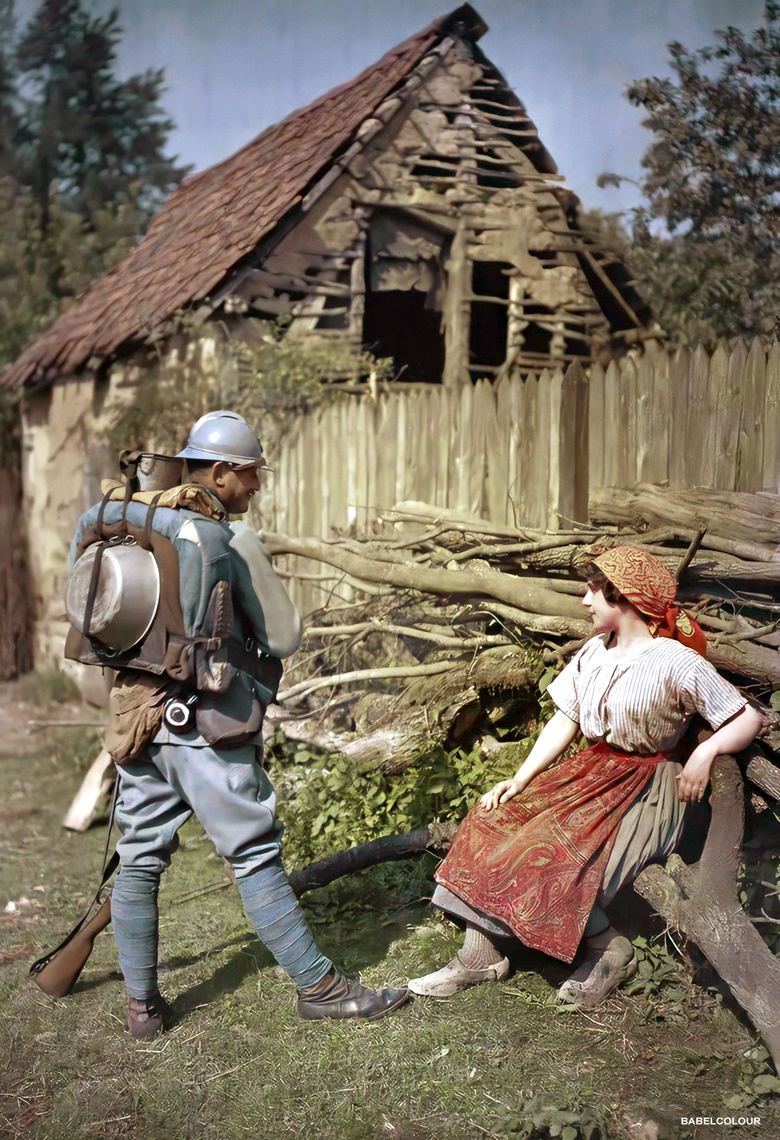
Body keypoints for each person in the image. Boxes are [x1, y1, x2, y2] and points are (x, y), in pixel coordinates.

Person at [69, 411, 409, 1039]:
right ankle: (321, 988)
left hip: (139, 716)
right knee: (253, 853)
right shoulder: (226, 539)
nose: (256, 488)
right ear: (220, 472)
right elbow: (284, 635)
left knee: (139, 859)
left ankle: (142, 1008)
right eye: (251, 476)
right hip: (204, 723)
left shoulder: (135, 526)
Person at [408, 545, 764, 1007]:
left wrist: (705, 753)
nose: (584, 600)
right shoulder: (596, 651)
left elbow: (747, 717)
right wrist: (520, 779)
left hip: (647, 788)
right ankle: (480, 955)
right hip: (589, 773)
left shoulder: (677, 662)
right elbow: (566, 718)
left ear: (625, 597)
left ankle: (609, 950)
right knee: (494, 820)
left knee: (561, 856)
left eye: (593, 589)